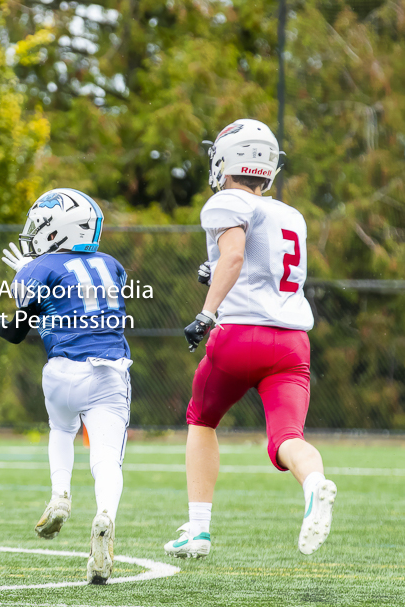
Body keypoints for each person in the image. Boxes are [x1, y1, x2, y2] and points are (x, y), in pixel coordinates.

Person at [163, 119, 337, 560]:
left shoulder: (225, 201)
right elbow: (261, 267)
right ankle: (314, 484)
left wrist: (205, 314)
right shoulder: (290, 214)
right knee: (286, 438)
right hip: (293, 343)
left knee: (201, 418)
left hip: (241, 335)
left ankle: (198, 530)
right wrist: (216, 270)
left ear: (225, 161)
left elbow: (236, 254)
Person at [0, 188, 132, 584]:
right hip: (109, 373)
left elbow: (15, 333)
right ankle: (105, 516)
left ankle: (60, 495)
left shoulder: (35, 271)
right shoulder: (113, 266)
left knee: (61, 430)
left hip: (61, 373)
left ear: (55, 229)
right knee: (105, 459)